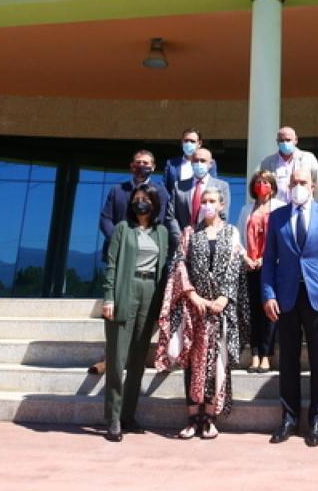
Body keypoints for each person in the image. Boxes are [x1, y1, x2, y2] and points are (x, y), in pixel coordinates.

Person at [154, 186, 247, 439]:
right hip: (194, 309)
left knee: (217, 363)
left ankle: (209, 418)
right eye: (204, 201)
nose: (208, 205)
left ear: (222, 205)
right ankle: (192, 418)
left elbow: (235, 266)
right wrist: (192, 295)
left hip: (220, 310)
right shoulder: (190, 233)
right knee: (193, 363)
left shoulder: (231, 232)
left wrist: (223, 298)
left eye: (212, 201)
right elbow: (179, 264)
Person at [261, 169, 318, 447]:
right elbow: (269, 259)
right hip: (286, 297)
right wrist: (268, 295)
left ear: (313, 186)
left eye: (303, 182)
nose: (298, 186)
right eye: (294, 182)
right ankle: (289, 418)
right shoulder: (277, 217)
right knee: (288, 361)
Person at [101, 184, 170, 442]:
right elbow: (111, 264)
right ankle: (113, 418)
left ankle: (128, 415)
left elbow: (164, 267)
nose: (140, 202)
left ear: (154, 203)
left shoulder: (161, 232)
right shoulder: (123, 228)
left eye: (145, 199)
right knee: (117, 360)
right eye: (137, 199)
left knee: (138, 361)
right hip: (125, 290)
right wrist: (109, 297)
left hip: (150, 292)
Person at [93, 149, 170, 376]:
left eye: (146, 163)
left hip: (146, 263)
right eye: (138, 162)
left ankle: (128, 360)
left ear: (153, 167)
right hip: (119, 259)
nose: (141, 166)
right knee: (116, 315)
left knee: (140, 322)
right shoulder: (117, 190)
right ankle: (111, 359)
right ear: (131, 166)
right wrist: (120, 240)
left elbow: (161, 219)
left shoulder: (160, 191)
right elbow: (105, 218)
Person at [236, 170, 285, 374]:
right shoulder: (246, 209)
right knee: (254, 312)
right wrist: (245, 257)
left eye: (265, 182)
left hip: (272, 266)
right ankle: (255, 354)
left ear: (272, 186)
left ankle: (266, 355)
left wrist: (265, 259)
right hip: (251, 267)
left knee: (269, 311)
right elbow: (238, 237)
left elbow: (282, 238)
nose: (261, 185)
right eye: (258, 181)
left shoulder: (280, 207)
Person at [165, 147, 230, 246]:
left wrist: (207, 239)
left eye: (203, 161)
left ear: (210, 164)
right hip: (182, 245)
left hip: (208, 244)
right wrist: (180, 238)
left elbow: (223, 216)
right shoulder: (178, 186)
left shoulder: (222, 186)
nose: (199, 164)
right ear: (191, 162)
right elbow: (171, 216)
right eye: (196, 160)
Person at [258, 125, 318, 203]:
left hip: (302, 206)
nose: (285, 143)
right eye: (281, 140)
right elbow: (263, 187)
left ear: (296, 140)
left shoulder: (308, 158)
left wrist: (313, 205)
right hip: (276, 208)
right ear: (277, 142)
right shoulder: (267, 162)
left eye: (288, 140)